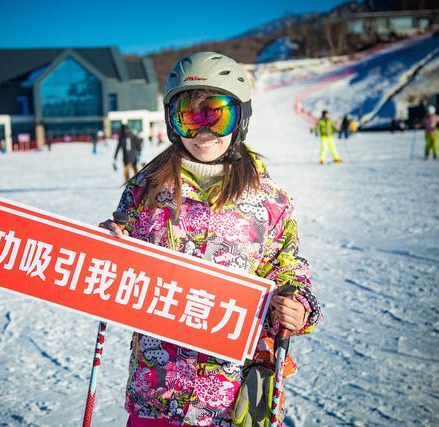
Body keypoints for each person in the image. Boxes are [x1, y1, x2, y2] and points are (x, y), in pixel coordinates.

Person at [99, 52, 321, 427]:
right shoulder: (145, 190)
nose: (204, 133)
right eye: (189, 117)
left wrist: (299, 307)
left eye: (217, 116)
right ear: (173, 123)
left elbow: (289, 274)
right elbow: (116, 266)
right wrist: (106, 246)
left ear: (241, 118)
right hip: (157, 393)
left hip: (231, 398)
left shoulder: (270, 200)